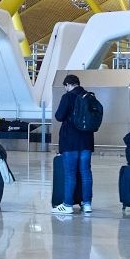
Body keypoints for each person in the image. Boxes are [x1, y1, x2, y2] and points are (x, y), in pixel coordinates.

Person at [52, 74, 94, 214]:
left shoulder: (68, 97)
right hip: (86, 141)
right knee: (86, 173)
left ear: (68, 85)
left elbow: (59, 116)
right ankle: (87, 204)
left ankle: (68, 205)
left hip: (70, 141)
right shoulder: (89, 96)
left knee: (70, 173)